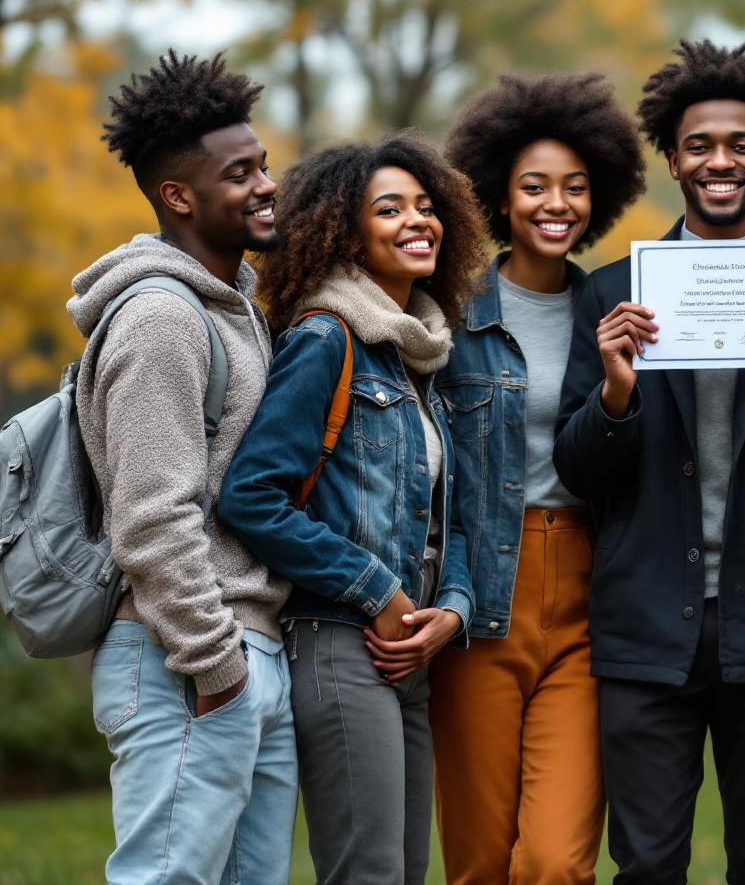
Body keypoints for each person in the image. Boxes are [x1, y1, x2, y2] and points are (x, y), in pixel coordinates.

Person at [553, 39, 745, 885]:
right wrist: (617, 392)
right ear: (671, 158)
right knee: (648, 867)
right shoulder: (612, 293)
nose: (719, 161)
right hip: (647, 625)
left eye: (739, 144)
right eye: (699, 145)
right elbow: (580, 471)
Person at [218, 135, 488, 885]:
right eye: (389, 208)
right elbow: (251, 495)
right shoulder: (325, 339)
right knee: (366, 872)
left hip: (413, 646)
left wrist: (453, 610)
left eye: (427, 207)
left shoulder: (421, 356)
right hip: (341, 640)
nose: (417, 221)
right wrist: (377, 589)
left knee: (402, 871)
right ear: (345, 230)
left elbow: (450, 516)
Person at [70, 51, 294, 885]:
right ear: (179, 196)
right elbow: (151, 518)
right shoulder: (162, 319)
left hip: (245, 654)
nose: (267, 184)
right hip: (185, 660)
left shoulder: (240, 312)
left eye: (263, 165)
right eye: (241, 173)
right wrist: (218, 669)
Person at [429, 71, 647, 885]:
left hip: (594, 594)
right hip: (483, 593)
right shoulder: (447, 314)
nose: (557, 204)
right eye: (534, 187)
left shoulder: (620, 305)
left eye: (576, 188)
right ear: (498, 195)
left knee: (556, 862)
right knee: (481, 862)